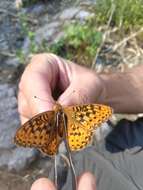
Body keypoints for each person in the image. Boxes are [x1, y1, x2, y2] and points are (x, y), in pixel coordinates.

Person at [18, 53, 143, 190]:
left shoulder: (53, 114)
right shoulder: (70, 112)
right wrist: (104, 87)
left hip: (114, 157)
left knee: (61, 175)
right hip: (122, 147)